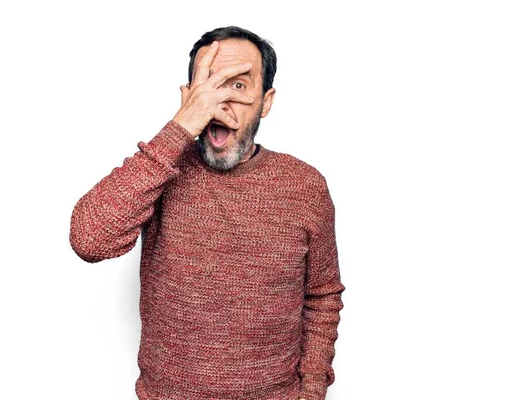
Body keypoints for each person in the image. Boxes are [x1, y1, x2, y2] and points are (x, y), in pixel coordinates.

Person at [69, 26, 345, 400]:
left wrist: (312, 392)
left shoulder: (304, 186)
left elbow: (322, 296)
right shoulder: (159, 169)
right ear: (189, 97)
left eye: (238, 86)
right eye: (208, 85)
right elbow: (89, 239)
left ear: (266, 101)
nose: (220, 104)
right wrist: (179, 127)